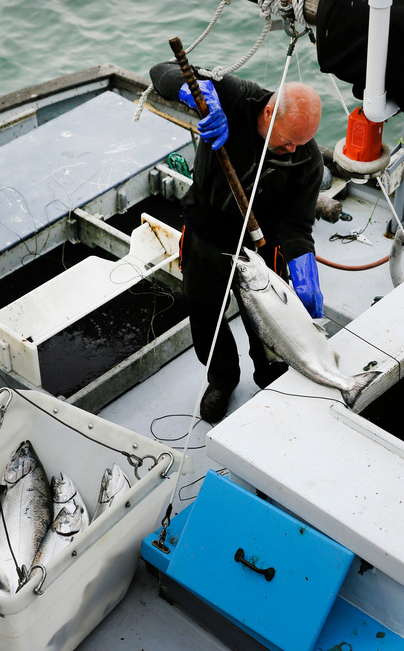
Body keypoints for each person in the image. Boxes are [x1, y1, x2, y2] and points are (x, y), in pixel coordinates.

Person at [149, 62, 325, 422]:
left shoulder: (308, 159)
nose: (294, 150)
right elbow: (161, 71)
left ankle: (270, 376)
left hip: (261, 250)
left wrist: (303, 264)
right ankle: (222, 379)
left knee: (268, 325)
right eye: (289, 139)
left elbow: (298, 224)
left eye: (302, 143)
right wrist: (195, 93)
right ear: (269, 111)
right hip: (205, 235)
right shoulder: (233, 95)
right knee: (205, 316)